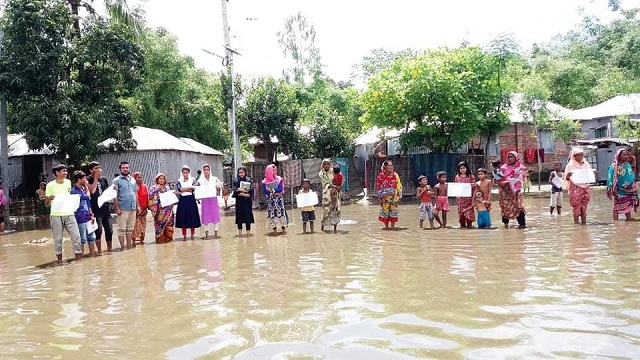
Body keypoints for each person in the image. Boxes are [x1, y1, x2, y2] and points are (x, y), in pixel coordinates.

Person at [45, 164, 82, 262]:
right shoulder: (50, 185)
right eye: (63, 171)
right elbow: (46, 204)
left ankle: (78, 259)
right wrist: (49, 198)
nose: (66, 173)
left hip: (69, 213)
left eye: (66, 171)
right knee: (58, 239)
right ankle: (59, 261)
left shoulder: (68, 183)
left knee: (76, 236)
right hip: (56, 215)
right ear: (57, 173)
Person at [87, 161, 114, 253]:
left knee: (109, 230)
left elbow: (106, 192)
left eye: (99, 168)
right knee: (98, 231)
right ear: (91, 170)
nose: (98, 170)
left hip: (105, 208)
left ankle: (109, 250)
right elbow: (92, 191)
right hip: (95, 209)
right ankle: (99, 251)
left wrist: (112, 190)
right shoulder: (87, 179)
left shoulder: (104, 179)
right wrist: (95, 178)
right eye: (95, 168)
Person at [565, 148, 595, 225]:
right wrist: (568, 176)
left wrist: (593, 174)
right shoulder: (570, 165)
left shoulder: (586, 164)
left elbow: (589, 175)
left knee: (584, 206)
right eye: (579, 155)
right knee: (576, 206)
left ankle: (584, 223)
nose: (581, 156)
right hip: (575, 186)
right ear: (574, 156)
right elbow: (567, 178)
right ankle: (576, 223)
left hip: (585, 186)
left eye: (582, 155)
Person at [113, 161, 139, 249]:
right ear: (120, 169)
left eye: (127, 167)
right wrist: (117, 209)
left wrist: (137, 206)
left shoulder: (133, 180)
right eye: (123, 168)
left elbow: (135, 193)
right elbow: (114, 195)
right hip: (122, 209)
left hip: (133, 208)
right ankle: (122, 247)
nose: (125, 169)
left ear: (129, 168)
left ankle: (128, 246)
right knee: (121, 229)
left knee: (130, 229)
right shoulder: (116, 181)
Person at [70, 171, 96, 257]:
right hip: (80, 217)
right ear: (79, 179)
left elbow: (88, 202)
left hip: (88, 216)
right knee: (82, 239)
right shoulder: (74, 191)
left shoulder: (83, 189)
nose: (86, 180)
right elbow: (87, 197)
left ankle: (92, 256)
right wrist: (87, 187)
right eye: (84, 178)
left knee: (91, 237)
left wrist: (91, 214)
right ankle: (81, 257)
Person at [607, 148, 638, 221]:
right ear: (619, 156)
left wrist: (632, 185)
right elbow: (610, 177)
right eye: (623, 155)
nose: (626, 156)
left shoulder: (627, 165)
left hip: (629, 190)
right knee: (616, 208)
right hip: (618, 190)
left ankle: (629, 220)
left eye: (627, 155)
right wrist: (611, 187)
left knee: (628, 207)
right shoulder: (613, 166)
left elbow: (631, 175)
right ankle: (616, 224)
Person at [498, 151, 526, 229]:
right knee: (505, 208)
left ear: (516, 158)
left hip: (516, 192)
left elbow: (523, 179)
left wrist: (515, 182)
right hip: (505, 192)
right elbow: (499, 179)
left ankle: (522, 225)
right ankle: (506, 226)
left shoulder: (521, 168)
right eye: (508, 157)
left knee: (519, 207)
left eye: (512, 157)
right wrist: (508, 181)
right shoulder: (503, 168)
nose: (510, 159)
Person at [175, 165, 201, 240]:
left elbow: (193, 189)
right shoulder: (179, 181)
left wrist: (184, 189)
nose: (185, 174)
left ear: (189, 173)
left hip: (191, 200)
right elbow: (179, 190)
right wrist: (189, 188)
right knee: (183, 217)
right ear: (182, 173)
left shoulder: (192, 180)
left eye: (187, 172)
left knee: (192, 217)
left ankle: (192, 235)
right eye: (184, 173)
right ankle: (184, 235)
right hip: (182, 201)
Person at [376, 159, 403, 229]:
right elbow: (379, 186)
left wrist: (399, 196)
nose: (391, 167)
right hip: (384, 198)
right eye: (389, 165)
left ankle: (393, 228)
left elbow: (399, 185)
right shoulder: (381, 175)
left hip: (394, 198)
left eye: (392, 165)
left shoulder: (395, 174)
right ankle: (387, 227)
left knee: (393, 213)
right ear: (385, 166)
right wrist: (380, 198)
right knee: (385, 213)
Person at [197, 164, 222, 239]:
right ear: (203, 171)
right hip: (205, 199)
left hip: (213, 198)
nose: (206, 171)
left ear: (210, 170)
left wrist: (218, 188)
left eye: (208, 169)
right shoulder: (200, 180)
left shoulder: (214, 179)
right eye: (205, 170)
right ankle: (207, 234)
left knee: (215, 215)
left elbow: (219, 188)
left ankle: (216, 233)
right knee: (205, 216)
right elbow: (197, 190)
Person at [149, 173, 174, 243]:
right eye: (160, 178)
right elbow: (150, 197)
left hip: (168, 211)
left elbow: (170, 198)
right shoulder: (153, 188)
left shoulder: (167, 188)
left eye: (163, 179)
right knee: (159, 227)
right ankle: (160, 241)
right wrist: (156, 190)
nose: (162, 180)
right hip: (159, 212)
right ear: (157, 179)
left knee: (169, 226)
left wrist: (172, 209)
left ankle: (169, 244)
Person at [262, 164, 288, 233]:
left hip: (279, 200)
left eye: (275, 170)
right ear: (269, 172)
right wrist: (271, 191)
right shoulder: (265, 181)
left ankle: (284, 231)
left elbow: (280, 189)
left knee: (281, 215)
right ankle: (274, 231)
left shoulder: (279, 179)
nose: (275, 171)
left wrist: (271, 190)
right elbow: (265, 191)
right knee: (272, 215)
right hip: (271, 201)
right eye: (273, 170)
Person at [319, 160, 341, 233]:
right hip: (326, 193)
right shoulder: (321, 173)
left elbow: (340, 178)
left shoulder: (333, 171)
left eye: (328, 164)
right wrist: (334, 186)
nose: (326, 166)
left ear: (330, 165)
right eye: (325, 164)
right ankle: (322, 227)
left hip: (336, 192)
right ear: (323, 165)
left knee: (335, 209)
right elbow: (325, 183)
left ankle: (335, 229)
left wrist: (339, 186)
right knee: (325, 209)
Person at [232, 167, 254, 237]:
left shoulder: (249, 180)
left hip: (247, 202)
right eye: (239, 172)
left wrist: (240, 190)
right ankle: (240, 234)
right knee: (239, 217)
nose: (241, 174)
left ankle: (248, 233)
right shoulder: (236, 181)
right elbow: (235, 192)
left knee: (248, 217)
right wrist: (244, 193)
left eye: (242, 172)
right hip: (239, 202)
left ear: (245, 172)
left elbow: (250, 191)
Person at [455, 161, 476, 228]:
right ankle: (462, 225)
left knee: (469, 212)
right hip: (460, 198)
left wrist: (469, 185)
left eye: (464, 168)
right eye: (461, 168)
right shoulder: (457, 176)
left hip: (469, 198)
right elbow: (456, 186)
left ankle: (469, 226)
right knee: (461, 213)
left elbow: (474, 186)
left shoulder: (471, 176)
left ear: (467, 168)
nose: (462, 170)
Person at [132, 172, 149, 244]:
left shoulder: (145, 186)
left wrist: (146, 207)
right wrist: (138, 207)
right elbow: (134, 198)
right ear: (134, 178)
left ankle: (142, 242)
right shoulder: (132, 187)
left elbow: (148, 197)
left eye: (141, 177)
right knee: (136, 228)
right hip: (135, 210)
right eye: (138, 177)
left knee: (143, 227)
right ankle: (133, 243)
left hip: (144, 210)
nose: (140, 179)